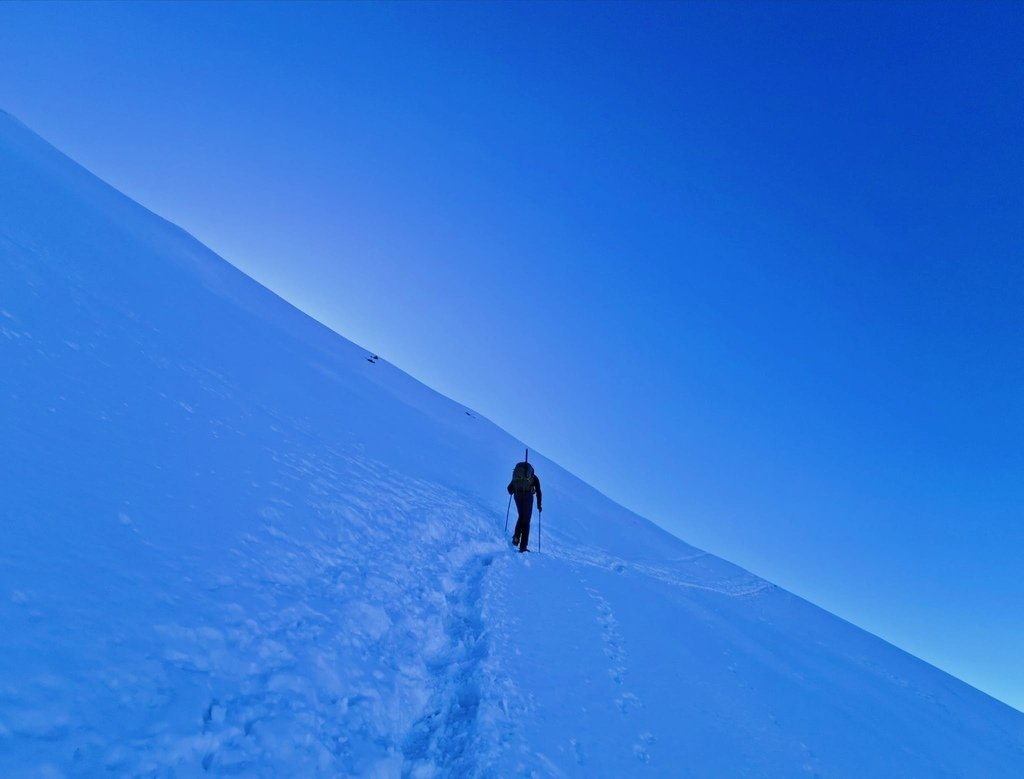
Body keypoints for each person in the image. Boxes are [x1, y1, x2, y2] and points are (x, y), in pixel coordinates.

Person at [508, 458, 542, 552]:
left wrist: (513, 491)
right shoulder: (534, 478)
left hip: (517, 496)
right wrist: (539, 505)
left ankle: (516, 537)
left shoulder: (517, 476)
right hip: (527, 497)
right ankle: (523, 546)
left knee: (521, 516)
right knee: (526, 521)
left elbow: (509, 488)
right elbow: (539, 492)